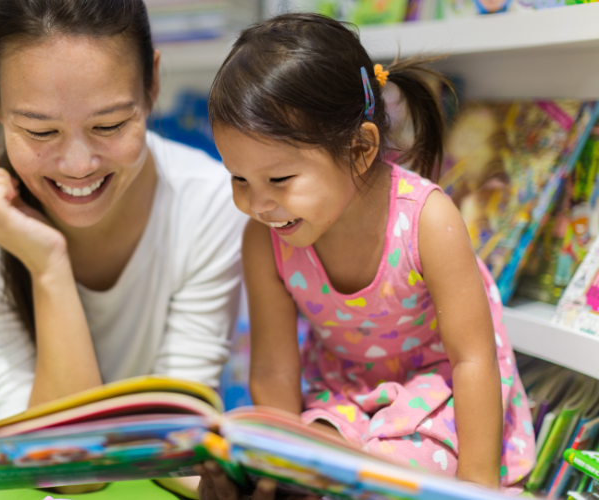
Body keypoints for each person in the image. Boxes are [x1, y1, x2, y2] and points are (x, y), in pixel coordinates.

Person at [0, 1, 247, 499]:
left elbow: (168, 434)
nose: (79, 165)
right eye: (41, 131)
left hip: (130, 436)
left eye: (109, 125)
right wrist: (47, 265)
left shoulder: (209, 207)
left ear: (152, 84)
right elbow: (68, 470)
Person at [195, 13, 536, 500]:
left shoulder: (427, 220)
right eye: (239, 179)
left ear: (359, 149)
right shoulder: (263, 237)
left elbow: (473, 360)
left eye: (279, 180)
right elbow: (273, 370)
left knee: (390, 476)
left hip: (438, 392)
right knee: (290, 468)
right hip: (344, 393)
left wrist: (477, 485)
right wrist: (280, 464)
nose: (258, 203)